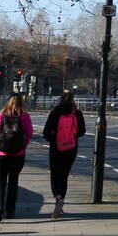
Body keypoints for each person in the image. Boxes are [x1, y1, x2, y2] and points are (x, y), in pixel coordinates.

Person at [42, 90, 86, 218]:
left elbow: (46, 132)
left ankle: (58, 199)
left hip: (56, 148)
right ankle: (61, 203)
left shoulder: (56, 112)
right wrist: (72, 137)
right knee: (64, 176)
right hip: (71, 148)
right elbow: (82, 131)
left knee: (55, 175)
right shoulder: (77, 113)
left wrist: (54, 140)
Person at [0, 93, 33, 222]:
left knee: (0, 182)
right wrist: (23, 147)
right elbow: (29, 134)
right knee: (13, 182)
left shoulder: (1, 115)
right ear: (21, 103)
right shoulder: (25, 117)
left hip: (1, 155)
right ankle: (11, 210)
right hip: (18, 155)